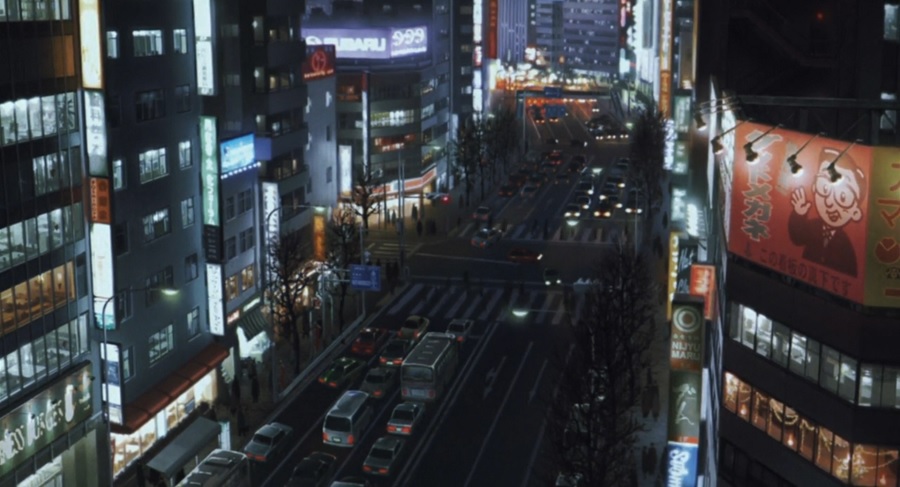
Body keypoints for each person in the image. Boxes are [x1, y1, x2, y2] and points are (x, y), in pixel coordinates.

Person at [788, 147, 865, 276]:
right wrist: (799, 214)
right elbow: (797, 238)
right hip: (805, 275)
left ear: (856, 212)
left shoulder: (846, 244)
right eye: (824, 189)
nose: (829, 203)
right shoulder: (815, 226)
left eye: (843, 198)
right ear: (814, 187)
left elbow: (850, 272)